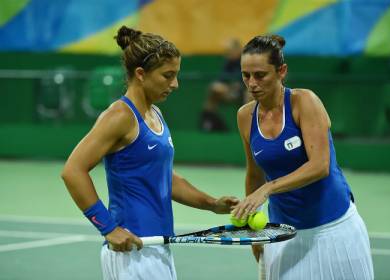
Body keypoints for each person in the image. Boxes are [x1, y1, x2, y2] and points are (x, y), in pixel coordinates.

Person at [61, 26, 239, 280]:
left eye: (176, 75)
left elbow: (163, 176)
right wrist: (108, 229)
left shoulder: (155, 113)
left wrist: (210, 203)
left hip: (156, 248)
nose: (175, 84)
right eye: (168, 75)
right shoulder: (120, 116)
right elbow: (72, 171)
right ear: (141, 74)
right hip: (133, 253)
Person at [231, 35, 374, 280]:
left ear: (281, 71)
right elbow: (254, 175)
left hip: (332, 228)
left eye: (260, 75)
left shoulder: (304, 101)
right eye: (246, 75)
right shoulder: (245, 116)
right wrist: (254, 232)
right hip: (283, 234)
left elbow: (320, 165)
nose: (252, 83)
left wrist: (268, 188)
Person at [199, 38, 248, 132]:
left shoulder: (246, 60)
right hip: (231, 92)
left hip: (245, 92)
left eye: (229, 51)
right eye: (227, 52)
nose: (227, 54)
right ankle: (209, 124)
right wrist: (225, 88)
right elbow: (221, 80)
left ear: (237, 49)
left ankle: (249, 129)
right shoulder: (229, 62)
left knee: (249, 95)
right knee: (214, 89)